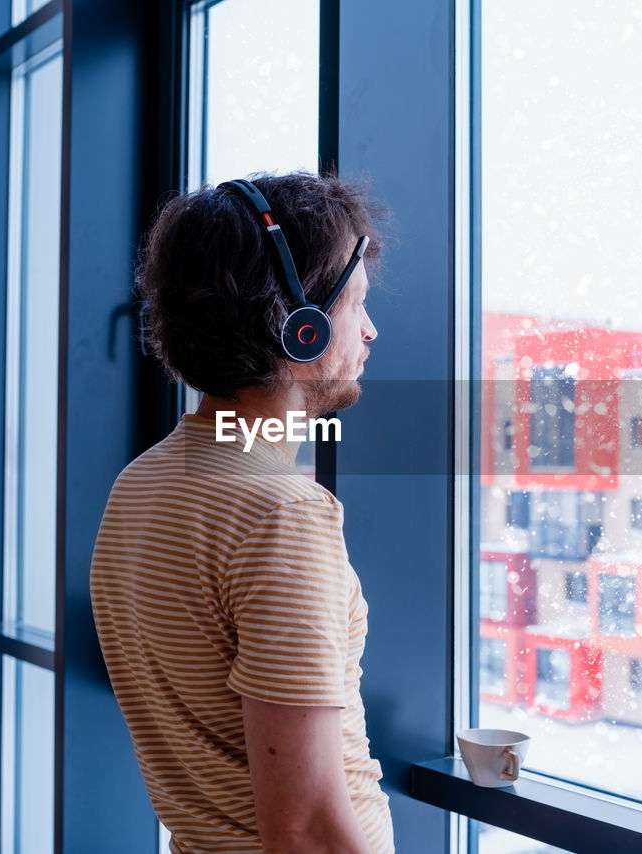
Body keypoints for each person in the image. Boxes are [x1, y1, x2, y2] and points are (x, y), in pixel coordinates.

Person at [89, 172, 393, 853]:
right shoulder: (282, 514)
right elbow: (307, 831)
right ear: (305, 329)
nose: (370, 332)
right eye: (357, 308)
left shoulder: (143, 483)